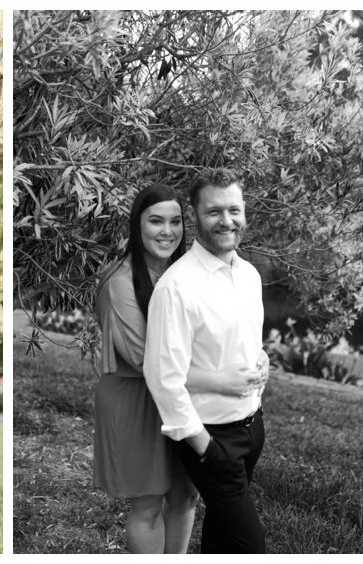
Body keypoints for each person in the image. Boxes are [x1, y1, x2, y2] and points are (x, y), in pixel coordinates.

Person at [91, 185, 263, 553]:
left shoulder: (184, 274)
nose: (167, 231)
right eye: (155, 221)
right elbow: (147, 363)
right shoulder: (118, 283)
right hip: (136, 402)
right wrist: (222, 380)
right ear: (136, 226)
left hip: (182, 402)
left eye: (174, 222)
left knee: (185, 497)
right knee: (149, 503)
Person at [143, 171, 271, 553]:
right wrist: (204, 447)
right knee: (250, 545)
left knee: (222, 537)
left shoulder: (249, 275)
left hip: (252, 424)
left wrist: (261, 359)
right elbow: (162, 377)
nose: (227, 220)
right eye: (214, 211)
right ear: (194, 216)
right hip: (210, 435)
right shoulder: (176, 287)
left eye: (234, 209)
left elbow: (244, 341)